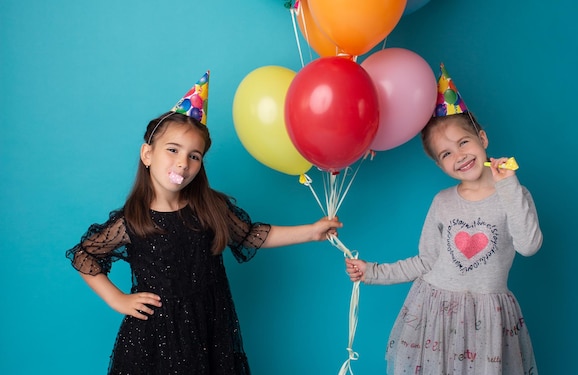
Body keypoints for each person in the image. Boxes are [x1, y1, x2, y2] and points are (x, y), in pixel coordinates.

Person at [66, 71, 341, 375]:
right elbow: (84, 255)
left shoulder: (210, 207)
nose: (183, 163)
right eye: (173, 150)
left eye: (194, 156)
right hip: (155, 339)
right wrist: (118, 299)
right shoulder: (132, 220)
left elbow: (250, 235)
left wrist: (312, 232)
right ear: (147, 154)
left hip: (210, 328)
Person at [345, 64, 542, 375]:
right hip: (436, 315)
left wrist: (508, 185)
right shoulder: (443, 202)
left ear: (482, 138)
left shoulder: (513, 193)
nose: (459, 155)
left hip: (487, 319)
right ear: (439, 165)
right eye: (446, 153)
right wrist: (372, 272)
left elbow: (529, 245)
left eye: (463, 142)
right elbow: (426, 261)